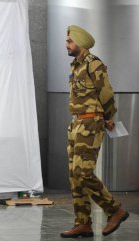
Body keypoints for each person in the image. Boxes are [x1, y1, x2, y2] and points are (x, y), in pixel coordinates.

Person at [61, 25, 129, 238]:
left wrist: (108, 117)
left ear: (79, 43)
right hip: (76, 124)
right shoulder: (75, 66)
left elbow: (106, 93)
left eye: (70, 41)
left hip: (91, 124)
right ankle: (83, 223)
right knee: (75, 176)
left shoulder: (94, 64)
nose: (67, 45)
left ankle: (114, 210)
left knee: (84, 173)